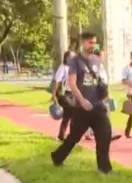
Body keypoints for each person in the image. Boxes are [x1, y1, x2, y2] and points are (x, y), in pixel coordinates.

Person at [51, 31, 113, 174]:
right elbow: (72, 84)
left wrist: (105, 95)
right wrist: (82, 100)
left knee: (105, 133)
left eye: (95, 42)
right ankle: (57, 156)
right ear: (83, 43)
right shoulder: (75, 61)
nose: (93, 45)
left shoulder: (97, 60)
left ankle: (105, 168)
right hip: (81, 107)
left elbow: (98, 80)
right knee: (74, 137)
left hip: (97, 105)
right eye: (90, 42)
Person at [84, 47, 122, 142]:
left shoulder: (100, 67)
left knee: (103, 112)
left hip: (102, 92)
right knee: (102, 113)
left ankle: (93, 132)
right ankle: (104, 133)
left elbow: (104, 81)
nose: (103, 58)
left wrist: (108, 93)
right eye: (102, 56)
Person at [52, 51, 75, 141]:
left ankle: (65, 135)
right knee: (69, 114)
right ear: (67, 58)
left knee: (72, 116)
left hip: (75, 94)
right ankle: (62, 135)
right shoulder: (63, 67)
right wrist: (54, 93)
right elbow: (57, 80)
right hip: (66, 94)